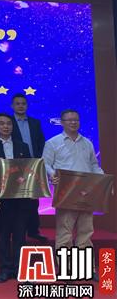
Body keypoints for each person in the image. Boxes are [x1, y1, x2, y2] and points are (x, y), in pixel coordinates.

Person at [43, 109, 103, 280]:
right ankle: (66, 269)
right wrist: (52, 174)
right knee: (65, 233)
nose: (73, 122)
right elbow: (45, 164)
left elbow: (93, 164)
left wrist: (102, 180)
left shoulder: (87, 143)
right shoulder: (53, 143)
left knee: (86, 232)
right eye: (69, 120)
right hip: (66, 193)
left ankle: (86, 269)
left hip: (86, 193)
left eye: (76, 120)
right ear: (62, 122)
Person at [0, 113, 31, 283]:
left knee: (20, 235)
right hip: (0, 198)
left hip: (20, 197)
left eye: (8, 124)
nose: (5, 126)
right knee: (3, 234)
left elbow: (29, 169)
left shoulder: (22, 146)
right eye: (2, 123)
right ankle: (5, 268)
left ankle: (20, 269)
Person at [11, 93, 47, 242]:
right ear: (12, 106)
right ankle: (18, 232)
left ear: (27, 105)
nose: (21, 106)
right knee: (18, 201)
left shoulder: (35, 122)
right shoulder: (8, 123)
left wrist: (38, 161)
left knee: (33, 200)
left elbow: (41, 142)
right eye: (17, 103)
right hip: (16, 166)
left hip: (34, 165)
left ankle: (33, 230)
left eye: (23, 103)